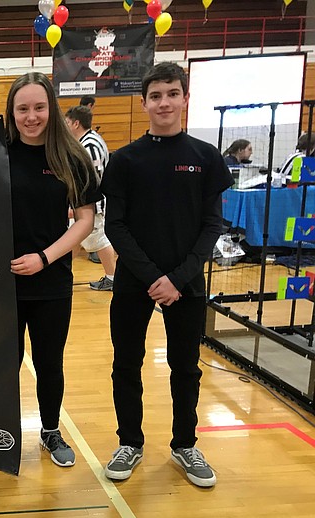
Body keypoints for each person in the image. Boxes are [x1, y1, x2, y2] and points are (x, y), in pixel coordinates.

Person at [0, 72, 98, 468]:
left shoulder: (72, 158)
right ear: (11, 112)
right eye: (22, 109)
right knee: (1, 364)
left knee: (50, 363)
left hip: (51, 282)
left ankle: (50, 430)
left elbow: (85, 220)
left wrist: (45, 257)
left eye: (38, 107)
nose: (31, 117)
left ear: (50, 107)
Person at [100, 62, 232, 488]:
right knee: (126, 364)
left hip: (186, 283)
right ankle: (130, 443)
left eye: (172, 94)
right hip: (135, 282)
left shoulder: (205, 158)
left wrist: (177, 278)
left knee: (185, 367)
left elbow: (212, 224)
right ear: (143, 104)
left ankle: (184, 445)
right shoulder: (124, 160)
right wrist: (153, 276)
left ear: (185, 99)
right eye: (155, 96)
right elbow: (115, 225)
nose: (164, 102)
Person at [65, 105, 116, 292]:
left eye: (67, 122)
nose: (65, 126)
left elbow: (91, 180)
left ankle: (112, 278)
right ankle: (62, 273)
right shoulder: (90, 139)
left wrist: (82, 206)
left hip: (93, 205)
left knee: (100, 240)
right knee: (73, 237)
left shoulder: (89, 146)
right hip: (88, 204)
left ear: (76, 123)